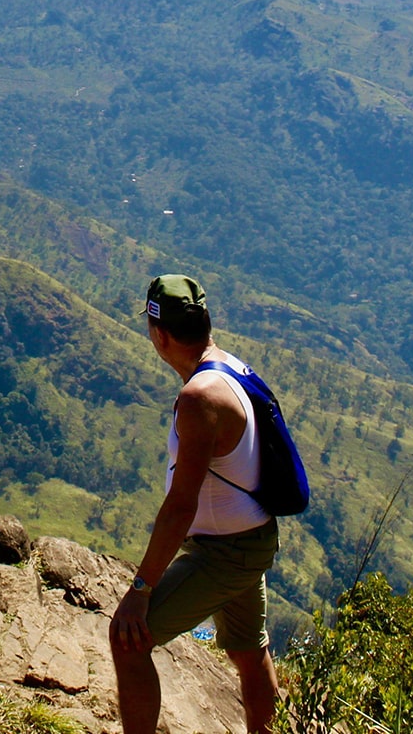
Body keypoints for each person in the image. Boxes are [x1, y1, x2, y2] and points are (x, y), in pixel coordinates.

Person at [109, 274, 279, 733]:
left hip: (225, 552)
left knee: (128, 640)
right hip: (251, 538)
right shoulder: (230, 367)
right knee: (247, 648)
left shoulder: (198, 397)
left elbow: (180, 507)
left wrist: (140, 591)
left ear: (160, 335)